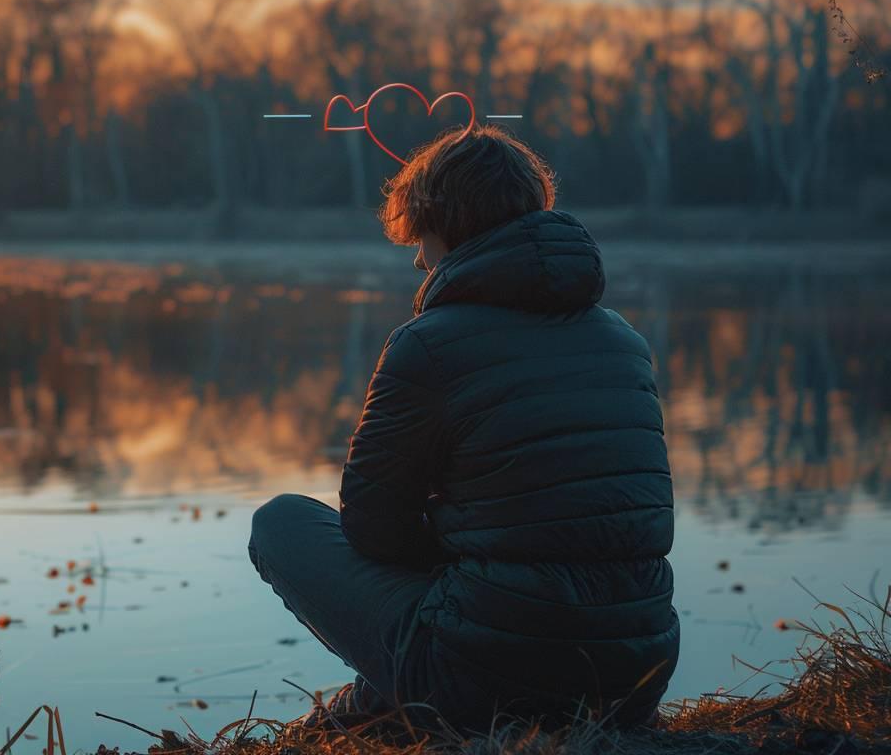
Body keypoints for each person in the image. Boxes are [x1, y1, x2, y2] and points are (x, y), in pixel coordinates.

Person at [248, 124, 679, 733]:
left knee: (279, 523)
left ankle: (392, 698)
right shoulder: (625, 341)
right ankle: (376, 702)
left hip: (488, 686)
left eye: (420, 235)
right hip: (634, 681)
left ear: (443, 225)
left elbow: (373, 527)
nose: (419, 259)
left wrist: (450, 538)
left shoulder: (427, 345)